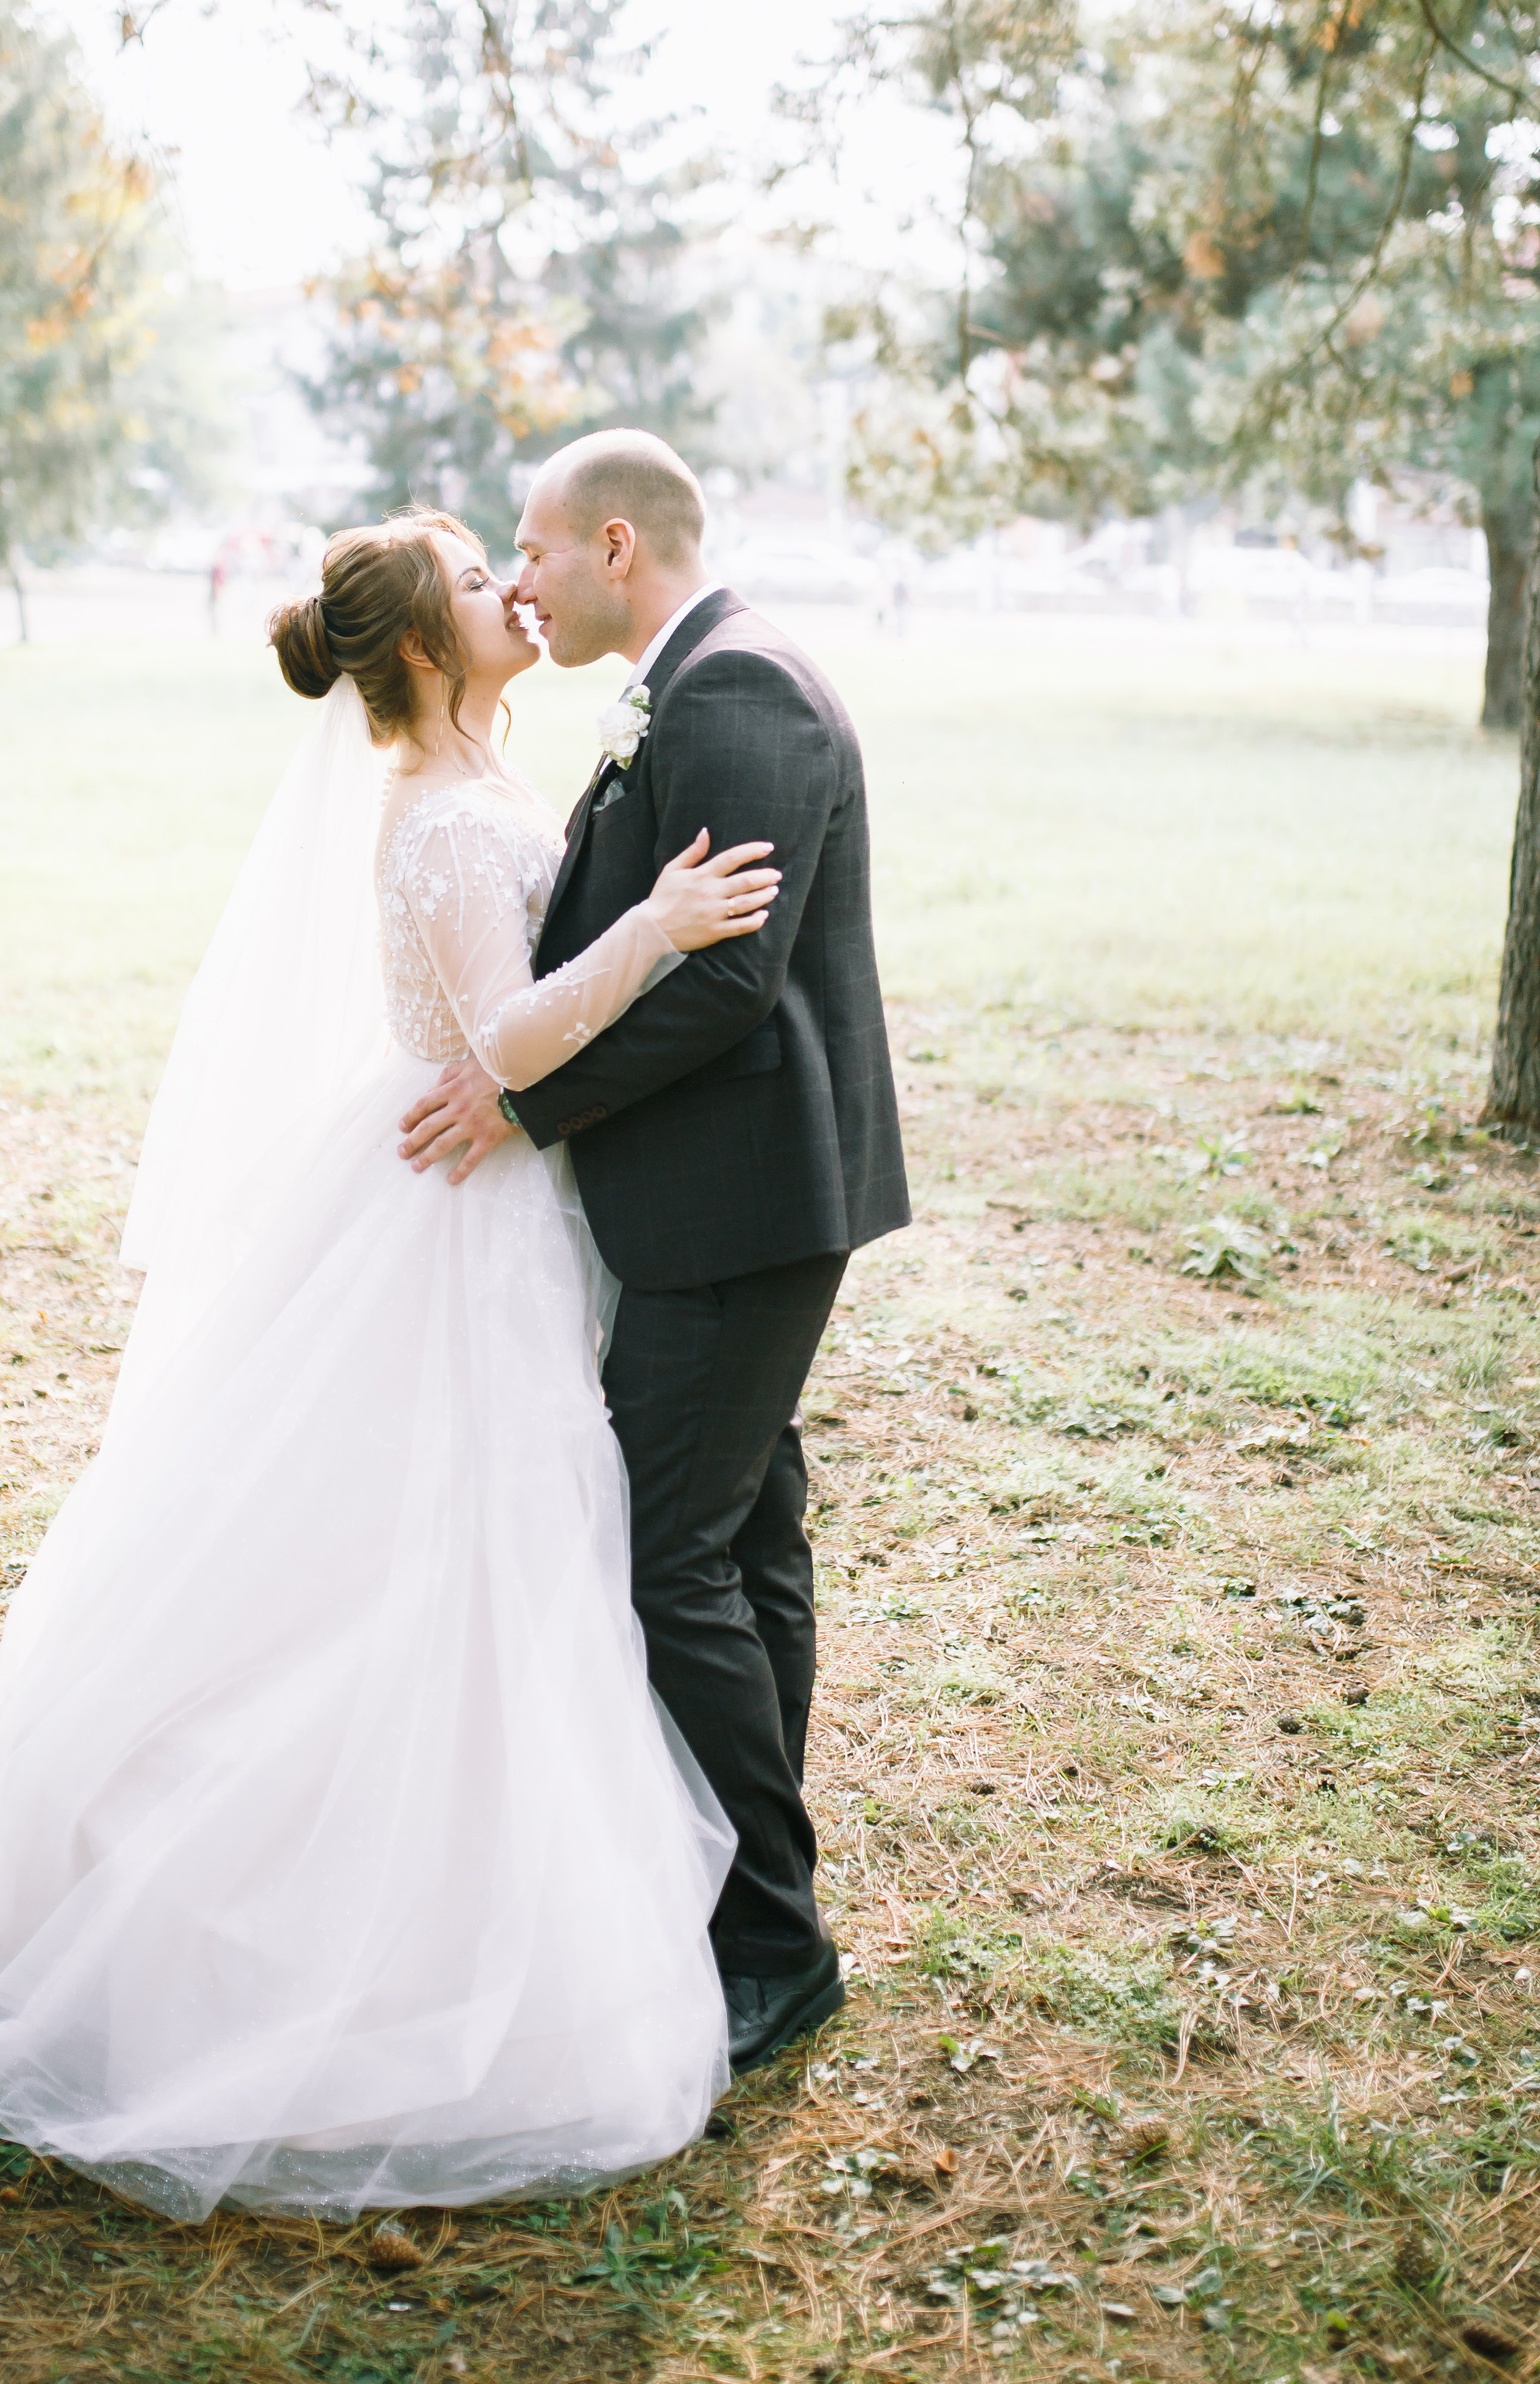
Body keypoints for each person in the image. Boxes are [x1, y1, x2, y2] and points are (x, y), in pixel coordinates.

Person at [0, 509, 784, 2222]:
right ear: (426, 648)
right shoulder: (437, 823)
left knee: (508, 1543)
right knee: (441, 1554)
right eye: (472, 577)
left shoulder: (485, 772)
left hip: (491, 1199)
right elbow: (506, 1038)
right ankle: (349, 1938)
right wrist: (658, 925)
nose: (510, 587)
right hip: (449, 1221)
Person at [399, 431, 909, 2075]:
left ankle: (767, 1939)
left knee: (666, 1554)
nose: (521, 581)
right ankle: (742, 1879)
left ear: (616, 545)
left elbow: (724, 985)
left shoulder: (732, 692)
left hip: (739, 1200)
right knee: (744, 1536)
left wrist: (520, 1104)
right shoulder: (692, 683)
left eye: (534, 553)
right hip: (729, 1196)